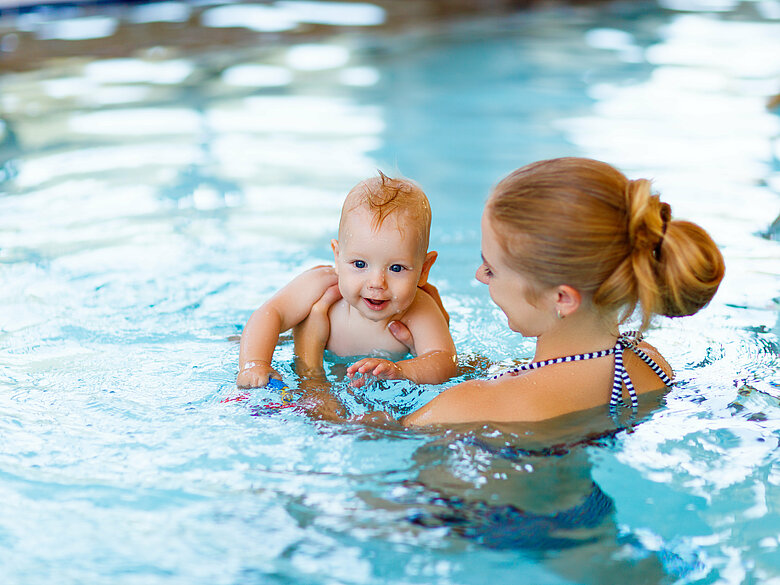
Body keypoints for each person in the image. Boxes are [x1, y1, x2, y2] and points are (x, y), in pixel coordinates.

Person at [306, 157, 725, 425]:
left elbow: (351, 436)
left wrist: (310, 366)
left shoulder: (465, 408)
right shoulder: (650, 366)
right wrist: (450, 358)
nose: (479, 276)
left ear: (561, 298)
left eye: (492, 268)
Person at [237, 172, 457, 390]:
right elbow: (270, 313)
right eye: (360, 264)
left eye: (396, 268)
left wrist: (402, 371)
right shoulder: (321, 285)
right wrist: (254, 362)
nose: (377, 282)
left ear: (423, 270)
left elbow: (444, 361)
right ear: (337, 256)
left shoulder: (419, 309)